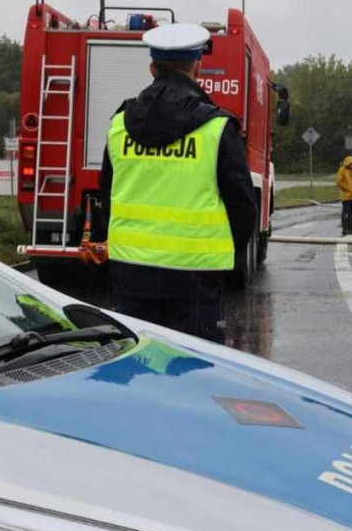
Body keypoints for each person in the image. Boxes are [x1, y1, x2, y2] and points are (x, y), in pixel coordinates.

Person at [97, 23, 257, 342]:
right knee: (192, 377)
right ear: (198, 65)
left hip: (132, 276)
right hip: (196, 280)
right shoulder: (217, 128)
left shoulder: (119, 126)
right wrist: (219, 256)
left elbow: (106, 197)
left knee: (138, 373)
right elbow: (243, 209)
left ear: (152, 67)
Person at [335, 156, 352, 235]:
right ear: (347, 163)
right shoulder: (342, 170)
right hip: (346, 197)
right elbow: (339, 182)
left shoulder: (351, 171)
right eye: (351, 164)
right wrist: (347, 189)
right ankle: (345, 229)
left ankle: (351, 228)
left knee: (351, 214)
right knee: (346, 213)